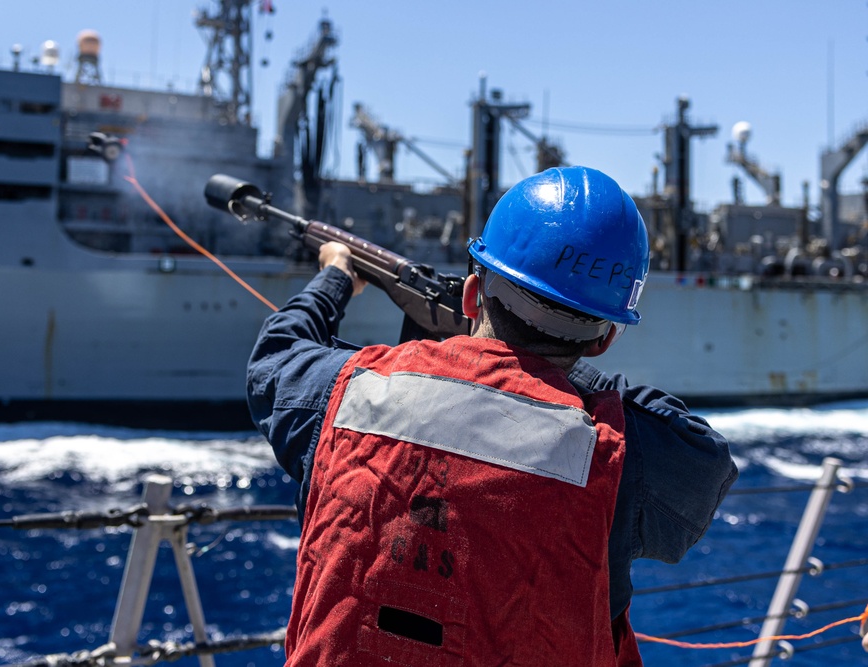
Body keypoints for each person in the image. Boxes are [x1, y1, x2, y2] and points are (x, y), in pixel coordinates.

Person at [247, 165, 738, 666]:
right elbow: (707, 459)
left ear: (469, 294)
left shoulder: (350, 390)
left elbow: (275, 357)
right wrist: (564, 372)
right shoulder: (613, 448)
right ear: (604, 339)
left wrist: (334, 276)